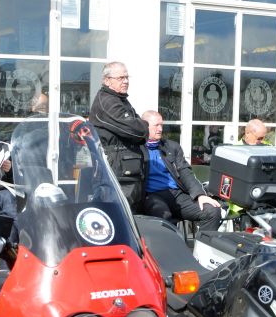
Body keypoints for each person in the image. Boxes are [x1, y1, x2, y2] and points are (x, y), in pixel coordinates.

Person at [141, 110, 222, 232]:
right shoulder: (137, 149)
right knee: (163, 216)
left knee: (212, 211)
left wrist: (200, 195)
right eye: (156, 125)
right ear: (145, 126)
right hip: (152, 195)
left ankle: (201, 250)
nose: (160, 129)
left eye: (161, 125)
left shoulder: (171, 147)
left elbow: (185, 171)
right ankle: (170, 251)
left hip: (177, 194)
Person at [87, 61, 148, 208]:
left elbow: (138, 125)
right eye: (120, 78)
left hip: (127, 171)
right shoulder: (107, 101)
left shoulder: (120, 99)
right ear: (107, 80)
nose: (126, 81)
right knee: (121, 216)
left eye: (127, 77)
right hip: (118, 172)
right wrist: (143, 127)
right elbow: (136, 130)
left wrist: (141, 126)